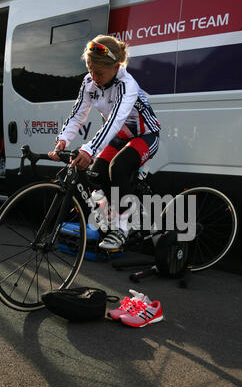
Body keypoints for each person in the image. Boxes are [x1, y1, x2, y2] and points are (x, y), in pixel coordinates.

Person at [49, 35, 160, 250]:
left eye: (98, 72)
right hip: (120, 138)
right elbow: (78, 114)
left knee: (117, 168)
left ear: (116, 66)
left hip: (146, 136)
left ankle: (121, 228)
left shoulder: (127, 85)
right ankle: (121, 209)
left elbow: (115, 122)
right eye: (90, 69)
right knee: (97, 173)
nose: (93, 76)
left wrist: (89, 149)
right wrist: (63, 140)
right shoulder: (89, 82)